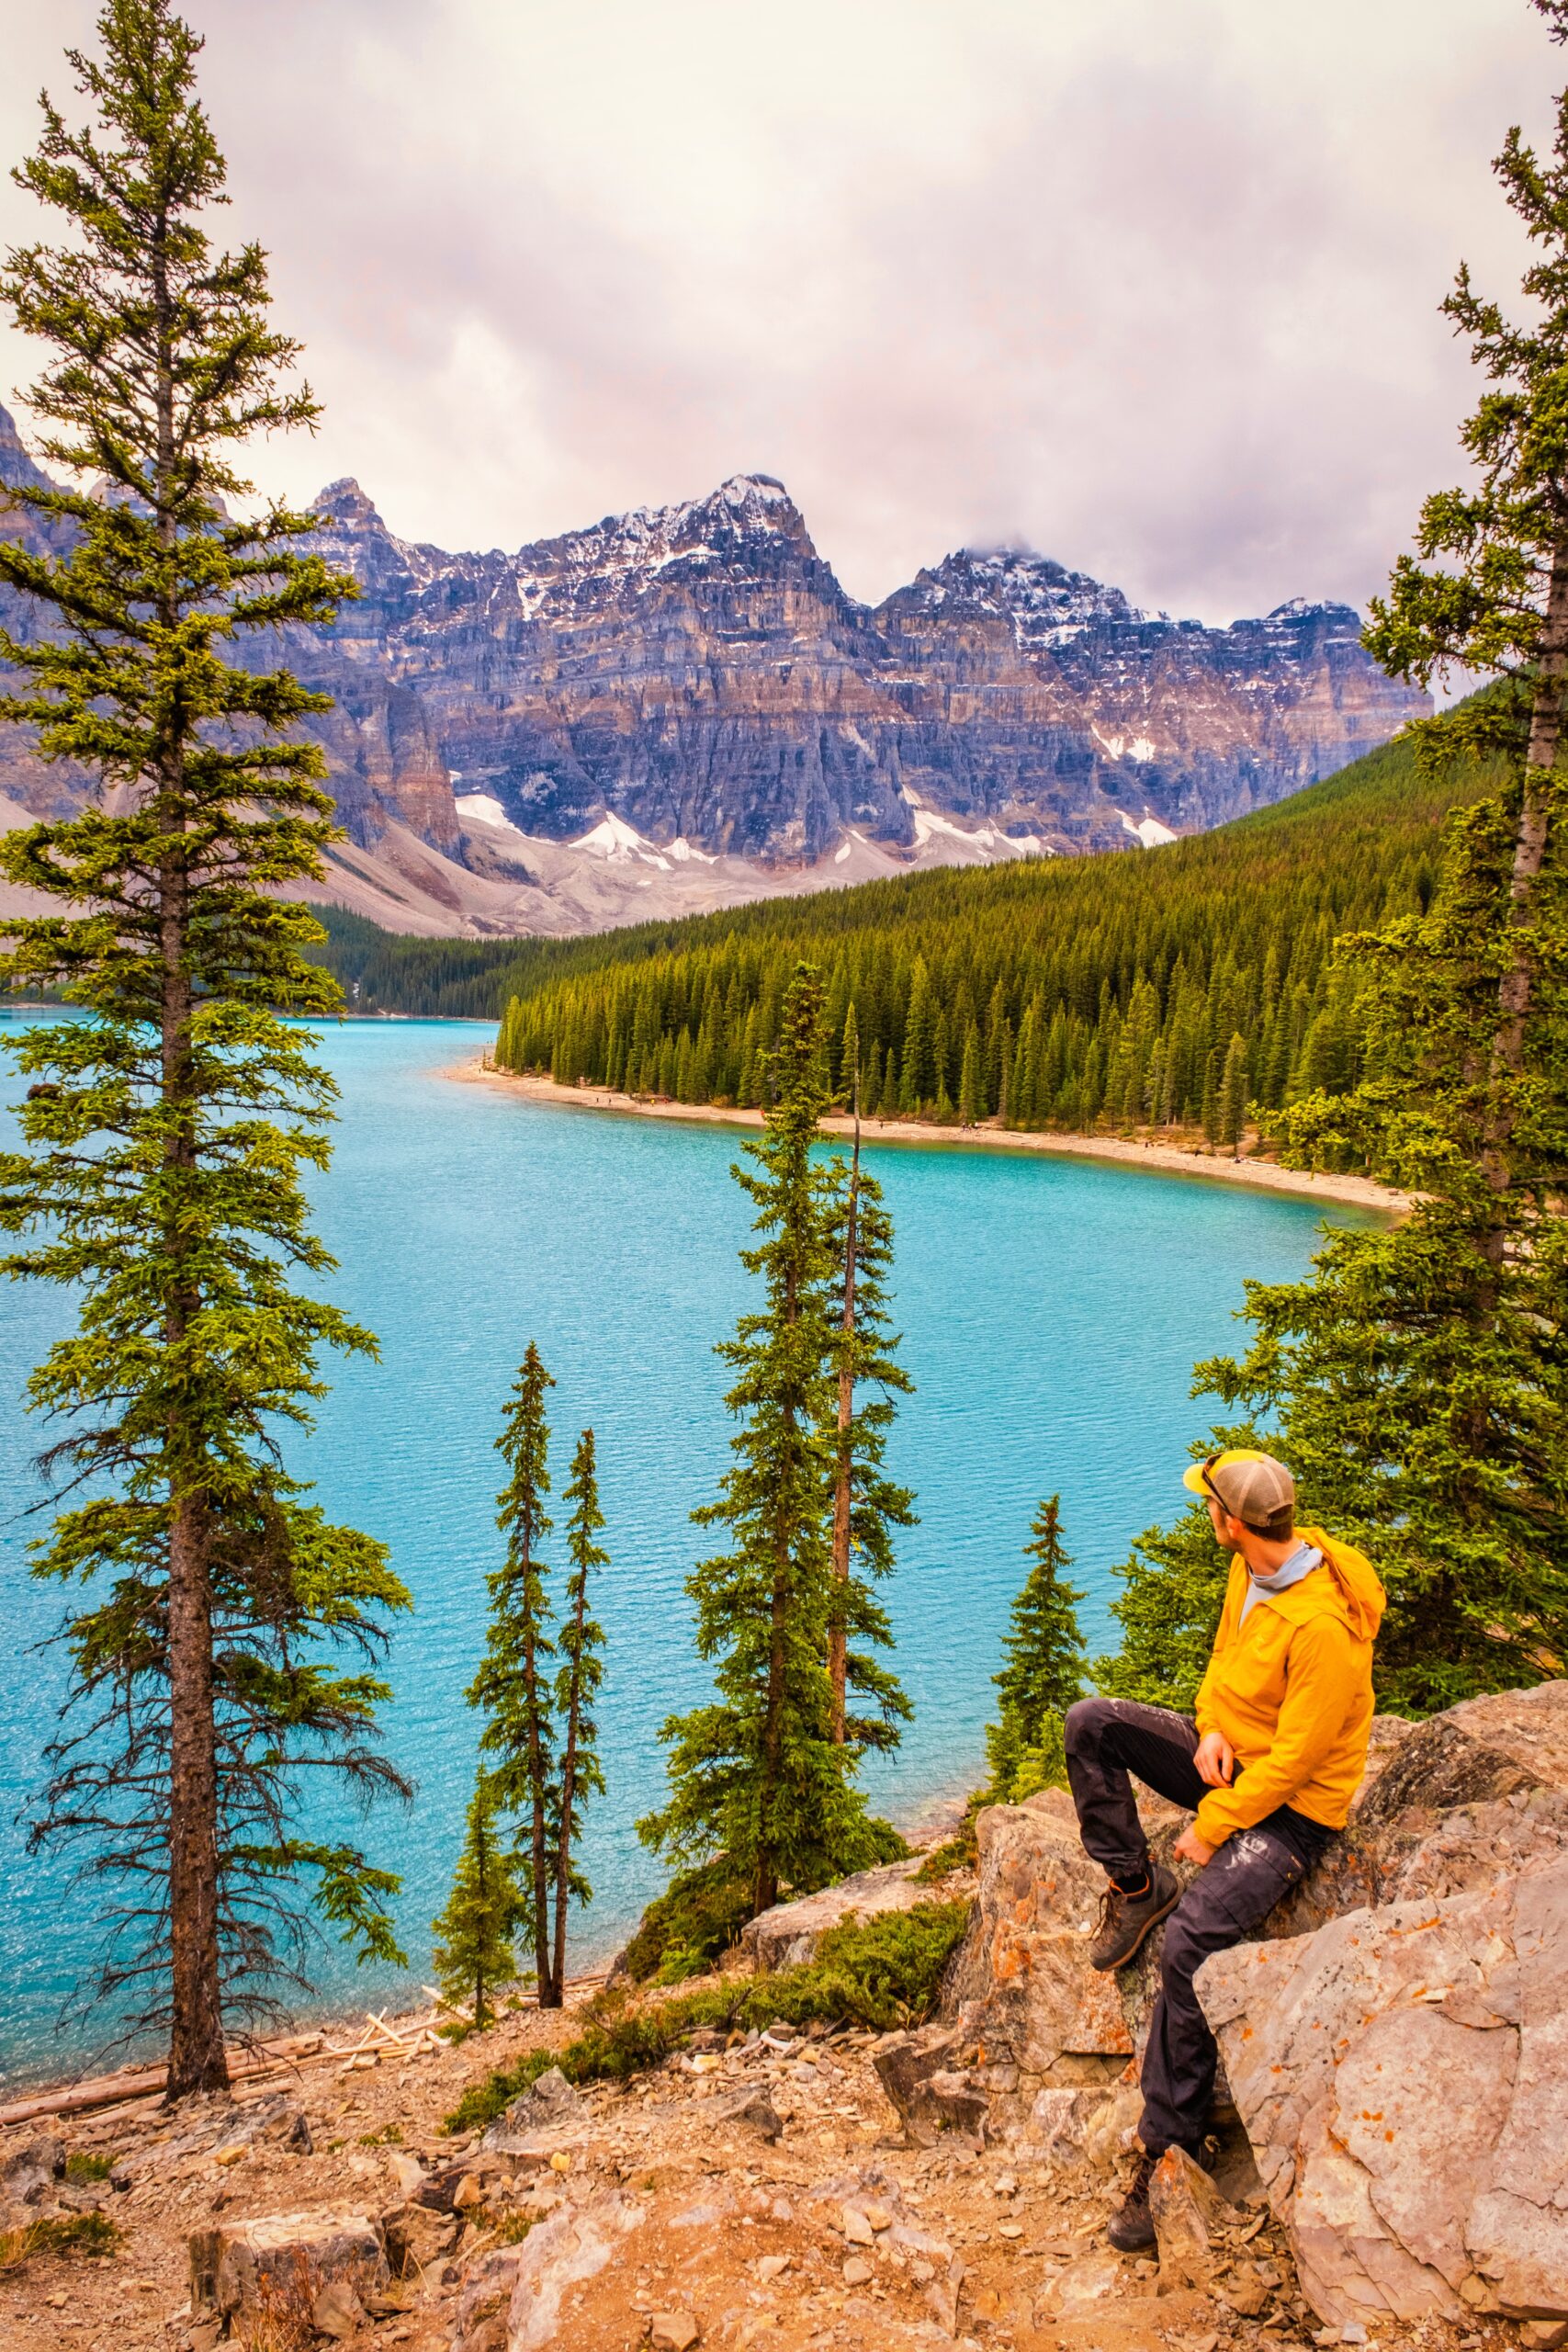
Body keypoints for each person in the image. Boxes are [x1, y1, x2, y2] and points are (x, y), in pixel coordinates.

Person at [1063, 1448, 1384, 2253]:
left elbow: (1301, 1760)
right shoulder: (1254, 1568)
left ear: (1231, 1521)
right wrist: (1208, 1725)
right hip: (1232, 1760)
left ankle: (1168, 2144)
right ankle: (1136, 1887)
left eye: (1208, 1506)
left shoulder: (1321, 1625)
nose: (1204, 1515)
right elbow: (1221, 1662)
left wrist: (1214, 1825)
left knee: (1188, 1948)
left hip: (1292, 1813)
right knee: (1090, 1723)